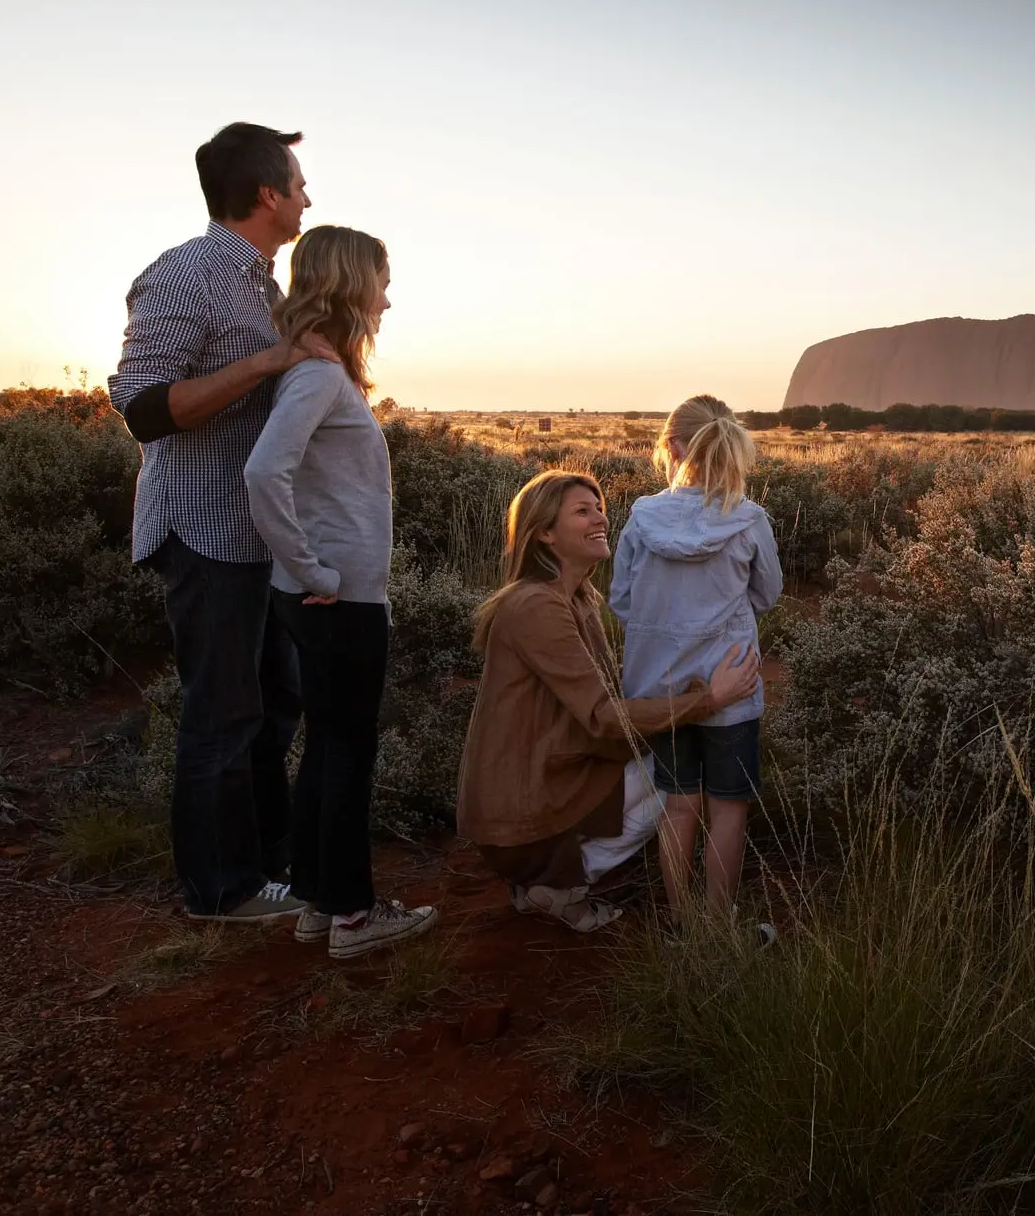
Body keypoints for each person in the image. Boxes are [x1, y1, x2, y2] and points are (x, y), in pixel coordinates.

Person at [107, 123, 333, 921]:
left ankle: (264, 869)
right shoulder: (186, 275)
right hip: (202, 531)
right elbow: (141, 409)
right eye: (299, 182)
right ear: (267, 193)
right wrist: (268, 362)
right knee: (224, 712)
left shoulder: (266, 287)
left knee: (274, 705)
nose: (308, 194)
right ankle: (219, 892)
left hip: (256, 535)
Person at [243, 225, 438, 959]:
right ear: (353, 284)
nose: (388, 297)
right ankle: (355, 914)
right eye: (381, 280)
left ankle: (319, 903)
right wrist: (314, 569)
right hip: (337, 598)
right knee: (347, 749)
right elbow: (265, 473)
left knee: (328, 745)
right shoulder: (320, 376)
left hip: (325, 593)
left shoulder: (321, 371)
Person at [456, 471, 759, 933]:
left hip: (540, 784)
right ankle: (559, 885)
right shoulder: (536, 606)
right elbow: (603, 715)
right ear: (544, 533)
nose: (600, 518)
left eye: (599, 507)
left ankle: (542, 882)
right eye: (582, 511)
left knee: (668, 763)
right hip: (523, 808)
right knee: (673, 778)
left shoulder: (576, 597)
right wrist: (708, 699)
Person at [610, 396, 783, 919]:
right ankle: (716, 927)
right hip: (732, 684)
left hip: (660, 692)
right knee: (728, 809)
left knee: (678, 806)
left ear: (673, 446)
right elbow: (768, 594)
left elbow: (621, 600)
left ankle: (682, 922)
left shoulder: (641, 519)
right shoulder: (749, 520)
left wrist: (666, 632)